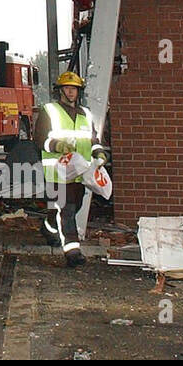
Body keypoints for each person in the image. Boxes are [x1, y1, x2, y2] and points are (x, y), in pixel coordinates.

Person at [35, 71, 107, 267]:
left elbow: (92, 139)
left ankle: (49, 227)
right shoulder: (49, 110)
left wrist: (98, 152)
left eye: (74, 88)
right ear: (59, 91)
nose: (71, 92)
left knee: (73, 208)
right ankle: (73, 252)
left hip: (80, 172)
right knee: (66, 210)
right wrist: (57, 146)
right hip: (58, 171)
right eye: (67, 88)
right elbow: (40, 139)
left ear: (79, 91)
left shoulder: (86, 114)